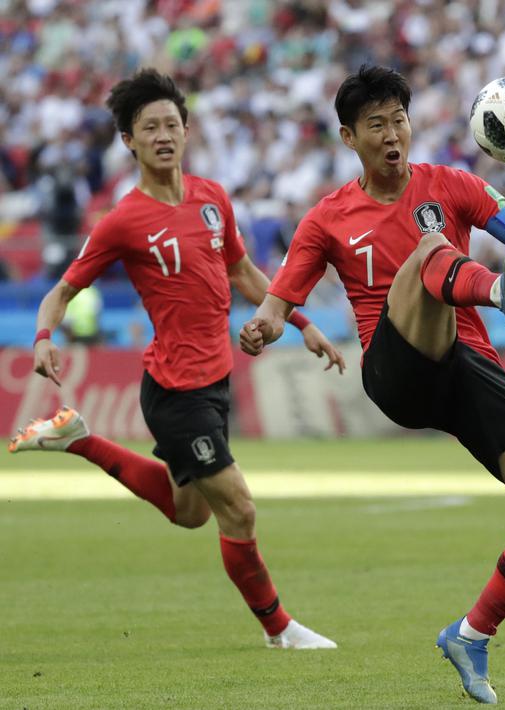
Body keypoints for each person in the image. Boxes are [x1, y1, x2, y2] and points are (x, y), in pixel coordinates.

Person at [239, 65, 505, 705]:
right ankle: (498, 293)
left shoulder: (454, 184)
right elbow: (277, 300)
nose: (393, 133)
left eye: (399, 119)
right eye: (377, 124)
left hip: (469, 367)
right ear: (350, 138)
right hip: (395, 368)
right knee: (430, 246)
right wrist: (262, 328)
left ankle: (471, 633)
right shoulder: (326, 218)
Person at [8, 69, 342, 650]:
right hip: (175, 390)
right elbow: (62, 289)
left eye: (171, 124)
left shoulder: (213, 199)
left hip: (215, 380)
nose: (164, 135)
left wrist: (301, 321)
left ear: (187, 131)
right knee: (238, 510)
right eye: (149, 128)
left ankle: (77, 438)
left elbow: (243, 273)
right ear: (128, 142)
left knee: (191, 513)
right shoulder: (123, 220)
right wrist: (41, 337)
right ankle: (279, 630)